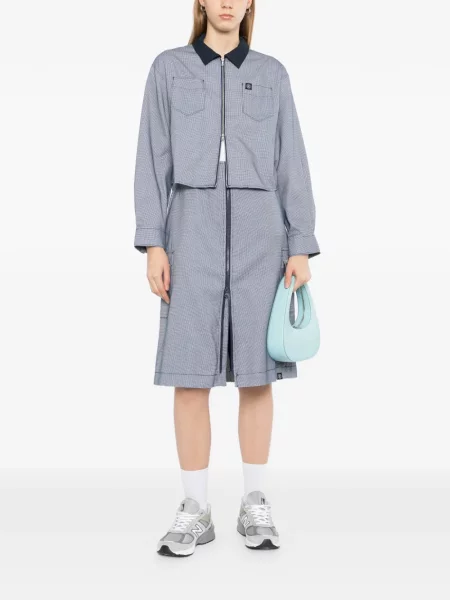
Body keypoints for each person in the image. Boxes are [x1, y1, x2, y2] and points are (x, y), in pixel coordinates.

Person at [133, 0, 321, 557]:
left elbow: (292, 160)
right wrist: (153, 241)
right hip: (190, 231)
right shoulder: (168, 68)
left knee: (258, 377)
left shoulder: (271, 73)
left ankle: (254, 501)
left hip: (262, 234)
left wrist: (300, 243)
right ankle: (195, 508)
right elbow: (151, 157)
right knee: (189, 376)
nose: (227, 1)